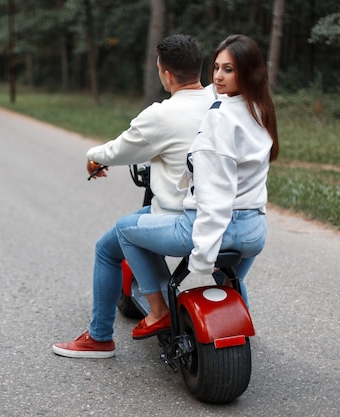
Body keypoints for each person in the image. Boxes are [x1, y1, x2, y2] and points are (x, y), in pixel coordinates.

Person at [52, 34, 216, 359]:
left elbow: (118, 149)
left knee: (107, 249)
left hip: (176, 218)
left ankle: (100, 338)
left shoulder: (162, 115)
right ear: (200, 68)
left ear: (166, 74)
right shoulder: (220, 102)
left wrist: (93, 156)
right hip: (224, 216)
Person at [115, 34, 279, 340]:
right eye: (216, 67)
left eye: (228, 69)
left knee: (125, 229)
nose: (217, 76)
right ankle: (237, 322)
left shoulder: (219, 118)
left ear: (248, 72)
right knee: (228, 280)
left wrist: (202, 258)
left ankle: (158, 311)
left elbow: (215, 198)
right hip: (254, 231)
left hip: (216, 227)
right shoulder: (260, 111)